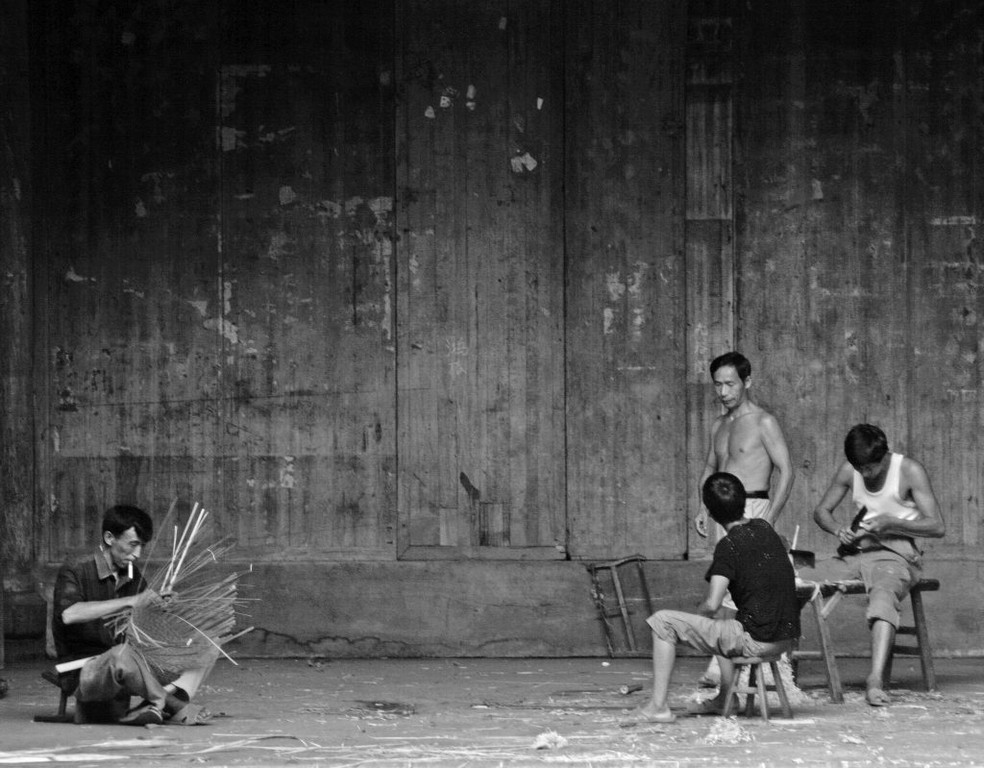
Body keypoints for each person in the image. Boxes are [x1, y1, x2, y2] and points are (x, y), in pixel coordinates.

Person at [631, 473, 801, 722]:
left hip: (756, 639)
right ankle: (726, 699)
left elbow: (712, 604)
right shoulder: (765, 528)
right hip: (785, 638)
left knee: (663, 621)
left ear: (710, 514)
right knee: (723, 626)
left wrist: (698, 619)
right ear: (743, 501)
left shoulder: (728, 546)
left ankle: (658, 707)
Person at [797, 424, 945, 707]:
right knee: (798, 579)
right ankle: (781, 670)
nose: (865, 475)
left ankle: (875, 680)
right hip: (858, 553)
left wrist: (892, 522)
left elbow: (937, 526)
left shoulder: (908, 470)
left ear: (884, 455)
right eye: (860, 469)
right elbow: (821, 512)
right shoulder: (850, 470)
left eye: (870, 469)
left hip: (897, 555)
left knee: (883, 593)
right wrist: (839, 529)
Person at [52, 504, 214, 725]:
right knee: (121, 655)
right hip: (86, 670)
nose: (137, 554)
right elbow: (69, 614)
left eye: (142, 546)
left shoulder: (131, 573)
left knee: (206, 645)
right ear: (109, 538)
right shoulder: (77, 568)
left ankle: (155, 702)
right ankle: (170, 704)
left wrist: (158, 606)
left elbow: (143, 623)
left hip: (133, 662)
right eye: (132, 544)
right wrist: (130, 601)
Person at [694, 351, 795, 687]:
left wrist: (770, 518)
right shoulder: (720, 424)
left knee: (756, 590)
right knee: (725, 590)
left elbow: (787, 469)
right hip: (723, 511)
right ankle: (723, 670)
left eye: (730, 384)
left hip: (755, 508)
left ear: (747, 382)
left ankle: (768, 668)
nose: (724, 392)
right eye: (718, 385)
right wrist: (701, 507)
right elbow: (712, 466)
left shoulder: (763, 421)